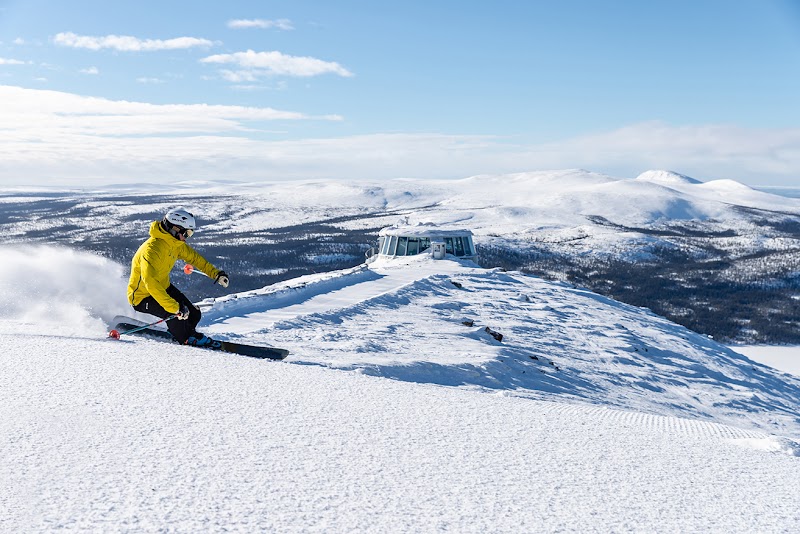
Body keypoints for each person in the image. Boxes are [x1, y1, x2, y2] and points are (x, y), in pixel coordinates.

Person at [127, 208, 229, 347]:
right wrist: (175, 308)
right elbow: (151, 284)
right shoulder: (152, 250)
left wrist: (215, 273)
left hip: (163, 287)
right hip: (142, 296)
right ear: (175, 229)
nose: (187, 237)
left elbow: (195, 258)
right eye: (187, 233)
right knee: (177, 316)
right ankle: (186, 338)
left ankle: (184, 332)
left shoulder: (174, 244)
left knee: (193, 314)